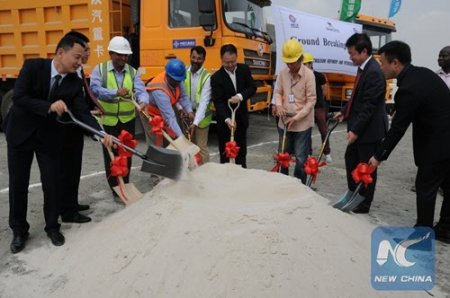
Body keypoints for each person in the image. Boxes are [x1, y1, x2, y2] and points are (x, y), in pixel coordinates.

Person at [3, 35, 112, 253]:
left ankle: (52, 227)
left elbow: (81, 111)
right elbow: (20, 98)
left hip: (48, 138)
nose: (80, 63)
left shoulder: (73, 82)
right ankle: (19, 230)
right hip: (21, 133)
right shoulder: (33, 67)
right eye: (77, 57)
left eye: (82, 59)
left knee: (52, 182)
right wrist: (49, 106)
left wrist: (99, 133)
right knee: (18, 183)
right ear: (61, 53)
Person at [368, 41, 450, 243]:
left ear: (395, 63)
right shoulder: (423, 74)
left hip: (437, 145)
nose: (381, 67)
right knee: (448, 186)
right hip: (445, 140)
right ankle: (445, 229)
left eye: (382, 62)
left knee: (425, 189)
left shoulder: (408, 88)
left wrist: (378, 156)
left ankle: (422, 235)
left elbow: (398, 128)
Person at [334, 33, 388, 213]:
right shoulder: (363, 68)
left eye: (352, 54)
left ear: (364, 51)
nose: (350, 57)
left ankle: (364, 203)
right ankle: (353, 193)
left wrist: (355, 130)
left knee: (365, 167)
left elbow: (369, 106)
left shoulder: (373, 71)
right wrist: (343, 112)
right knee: (351, 159)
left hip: (369, 130)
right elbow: (356, 98)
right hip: (360, 127)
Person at [90, 36, 149, 199]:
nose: (123, 58)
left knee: (126, 153)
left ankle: (126, 182)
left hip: (127, 120)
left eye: (125, 55)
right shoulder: (100, 70)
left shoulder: (132, 71)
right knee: (111, 155)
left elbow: (141, 90)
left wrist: (143, 101)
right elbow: (94, 90)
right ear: (110, 53)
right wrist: (114, 92)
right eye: (119, 55)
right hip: (108, 122)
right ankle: (115, 188)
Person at [59, 31, 104, 223]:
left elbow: (82, 98)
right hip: (64, 128)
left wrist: (93, 111)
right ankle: (66, 210)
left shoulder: (78, 70)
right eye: (85, 50)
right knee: (64, 171)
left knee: (74, 168)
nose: (87, 53)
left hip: (78, 127)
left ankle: (72, 203)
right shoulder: (65, 71)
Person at [274, 39, 316, 183]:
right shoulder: (283, 73)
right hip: (284, 121)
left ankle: (299, 187)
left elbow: (311, 101)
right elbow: (278, 92)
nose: (290, 66)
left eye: (293, 62)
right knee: (283, 157)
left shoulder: (309, 75)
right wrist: (279, 105)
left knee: (300, 159)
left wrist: (297, 118)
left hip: (302, 124)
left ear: (301, 59)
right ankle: (283, 184)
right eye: (288, 62)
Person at [210, 44, 256, 168]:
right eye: (226, 62)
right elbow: (218, 101)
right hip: (225, 123)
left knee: (241, 154)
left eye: (233, 61)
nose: (230, 65)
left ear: (237, 57)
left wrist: (240, 96)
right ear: (221, 59)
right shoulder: (216, 78)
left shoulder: (244, 69)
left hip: (241, 120)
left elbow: (252, 87)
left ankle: (242, 180)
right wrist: (227, 119)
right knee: (226, 155)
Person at [146, 58, 194, 140]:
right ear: (168, 76)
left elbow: (183, 97)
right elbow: (170, 119)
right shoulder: (160, 91)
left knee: (170, 139)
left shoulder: (178, 79)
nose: (178, 83)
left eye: (180, 80)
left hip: (166, 111)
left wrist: (189, 111)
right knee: (157, 143)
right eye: (176, 80)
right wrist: (182, 139)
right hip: (152, 115)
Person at [302, 52, 332, 163]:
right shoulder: (301, 77)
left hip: (318, 106)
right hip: (306, 107)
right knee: (306, 130)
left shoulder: (319, 76)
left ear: (310, 64)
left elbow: (324, 90)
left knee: (323, 130)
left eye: (305, 63)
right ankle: (308, 152)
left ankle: (327, 152)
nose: (304, 65)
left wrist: (319, 99)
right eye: (302, 63)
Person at [185, 46, 212, 164]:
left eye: (199, 58)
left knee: (201, 148)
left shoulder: (207, 77)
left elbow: (204, 103)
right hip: (187, 114)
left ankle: (206, 174)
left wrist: (195, 123)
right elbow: (180, 94)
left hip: (202, 118)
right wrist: (184, 110)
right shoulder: (184, 72)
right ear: (190, 57)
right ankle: (191, 173)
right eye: (193, 57)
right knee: (188, 147)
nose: (195, 60)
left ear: (204, 59)